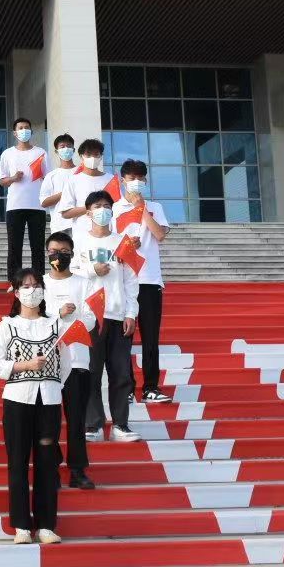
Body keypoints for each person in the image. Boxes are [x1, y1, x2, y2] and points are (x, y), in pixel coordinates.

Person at [0, 269, 70, 545]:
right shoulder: (7, 326)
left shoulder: (55, 325)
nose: (31, 290)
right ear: (16, 292)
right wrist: (26, 366)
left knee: (47, 462)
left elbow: (66, 365)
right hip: (17, 401)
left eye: (36, 286)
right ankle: (22, 525)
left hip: (48, 401)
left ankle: (46, 525)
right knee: (18, 462)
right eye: (25, 286)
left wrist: (51, 383)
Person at [73, 190, 141, 443]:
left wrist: (131, 313)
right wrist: (92, 270)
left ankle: (121, 425)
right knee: (91, 372)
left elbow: (131, 280)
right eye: (97, 206)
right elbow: (70, 273)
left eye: (106, 206)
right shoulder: (78, 241)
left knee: (121, 373)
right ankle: (93, 425)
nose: (102, 210)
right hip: (90, 316)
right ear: (88, 212)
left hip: (117, 315)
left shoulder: (123, 242)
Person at [43, 230, 98, 489]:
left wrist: (71, 326)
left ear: (72, 254)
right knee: (49, 420)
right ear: (47, 253)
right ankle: (51, 468)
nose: (59, 256)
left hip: (77, 360)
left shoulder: (84, 283)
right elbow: (34, 318)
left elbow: (91, 318)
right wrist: (59, 314)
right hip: (47, 362)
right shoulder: (39, 284)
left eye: (64, 252)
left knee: (76, 419)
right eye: (54, 251)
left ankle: (77, 470)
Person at [119, 159, 174, 404]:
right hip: (123, 281)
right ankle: (126, 388)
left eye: (140, 178)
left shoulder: (155, 207)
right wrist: (127, 246)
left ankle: (151, 387)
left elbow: (160, 234)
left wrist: (141, 207)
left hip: (150, 280)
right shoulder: (114, 208)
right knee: (123, 338)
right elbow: (110, 244)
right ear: (123, 180)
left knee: (150, 337)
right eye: (132, 178)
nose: (136, 182)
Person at [0, 118, 49, 286]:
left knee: (37, 246)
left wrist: (41, 177)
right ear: (15, 133)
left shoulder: (41, 152)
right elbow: (2, 181)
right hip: (15, 206)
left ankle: (38, 281)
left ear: (31, 131)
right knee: (14, 246)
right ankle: (14, 282)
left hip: (37, 206)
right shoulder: (7, 154)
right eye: (20, 128)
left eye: (27, 128)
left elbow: (48, 178)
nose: (24, 131)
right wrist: (14, 178)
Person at [56, 138, 112, 232]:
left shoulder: (111, 179)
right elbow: (65, 213)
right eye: (88, 155)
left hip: (108, 232)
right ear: (81, 157)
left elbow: (117, 207)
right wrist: (92, 208)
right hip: (82, 233)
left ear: (101, 156)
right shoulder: (73, 180)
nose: (92, 158)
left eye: (96, 154)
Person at [38, 133, 78, 219]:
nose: (66, 149)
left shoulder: (81, 172)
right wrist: (65, 193)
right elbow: (44, 202)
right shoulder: (51, 176)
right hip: (59, 223)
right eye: (62, 147)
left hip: (79, 223)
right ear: (56, 151)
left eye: (69, 146)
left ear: (73, 150)